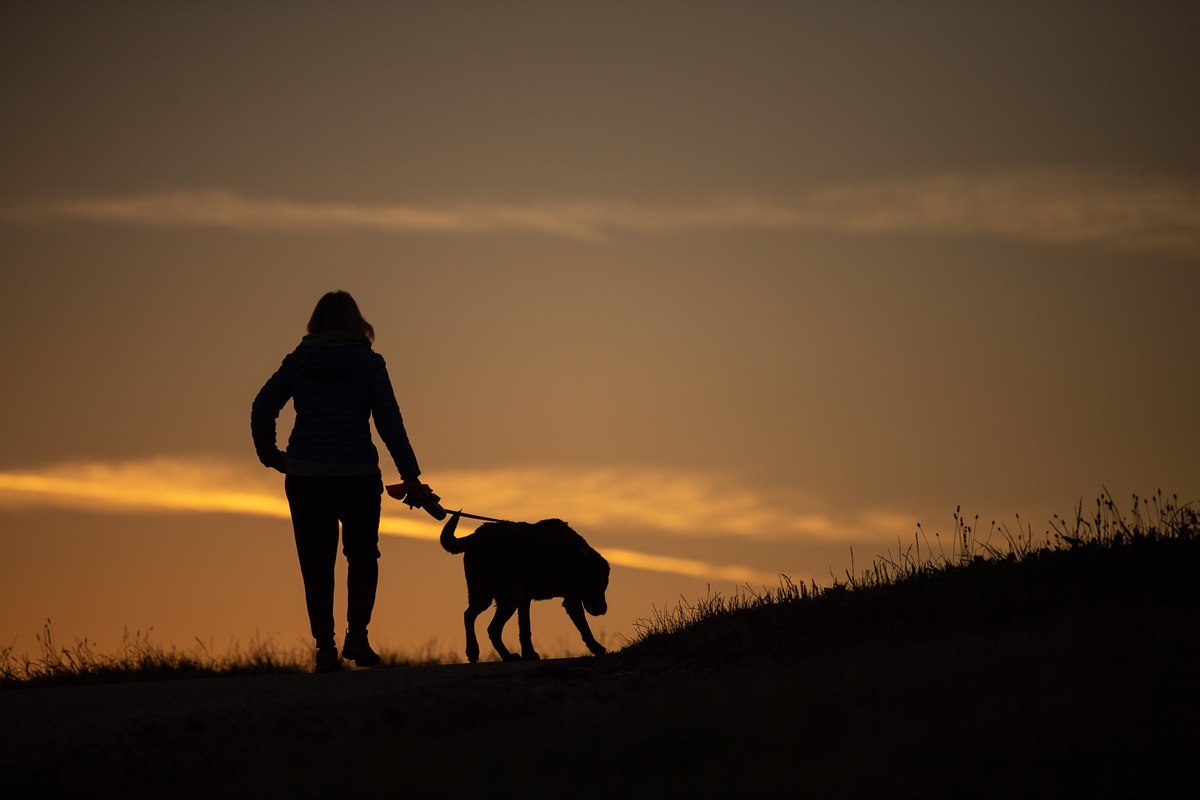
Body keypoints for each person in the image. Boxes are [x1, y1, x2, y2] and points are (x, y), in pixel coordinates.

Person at [251, 290, 435, 673]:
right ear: (357, 322)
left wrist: (272, 457)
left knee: (316, 564)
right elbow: (389, 422)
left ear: (315, 322)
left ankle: (325, 648)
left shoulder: (299, 361)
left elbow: (262, 406)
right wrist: (411, 476)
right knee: (363, 557)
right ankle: (358, 637)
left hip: (306, 476)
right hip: (357, 475)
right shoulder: (368, 362)